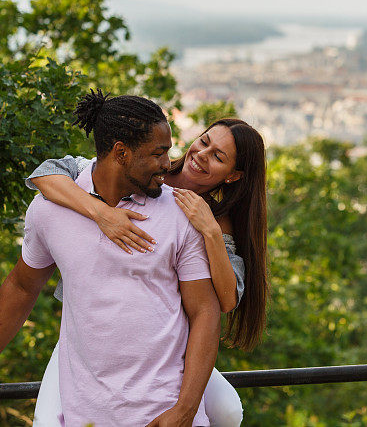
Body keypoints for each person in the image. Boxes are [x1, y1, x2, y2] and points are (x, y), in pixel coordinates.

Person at [0, 91, 221, 426]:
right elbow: (22, 287)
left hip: (166, 412)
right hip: (86, 413)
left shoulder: (181, 213)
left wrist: (185, 409)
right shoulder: (49, 209)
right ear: (121, 153)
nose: (168, 164)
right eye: (158, 153)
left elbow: (206, 310)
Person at [27, 116, 268, 427]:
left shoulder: (215, 221)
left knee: (228, 411)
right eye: (204, 142)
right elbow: (47, 174)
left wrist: (208, 230)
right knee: (46, 421)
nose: (201, 155)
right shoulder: (148, 170)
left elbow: (227, 297)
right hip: (89, 334)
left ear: (234, 176)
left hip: (167, 344)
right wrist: (102, 213)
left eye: (218, 157)